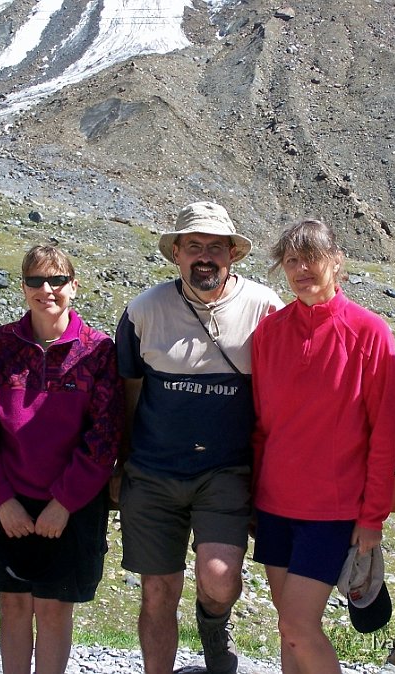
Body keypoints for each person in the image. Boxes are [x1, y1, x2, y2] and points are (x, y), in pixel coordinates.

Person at [114, 201, 283, 674]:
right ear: (176, 254)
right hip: (152, 472)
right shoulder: (144, 310)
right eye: (194, 247)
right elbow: (128, 392)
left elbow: (282, 396)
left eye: (215, 247)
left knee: (221, 578)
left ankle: (213, 621)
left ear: (232, 254)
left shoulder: (264, 307)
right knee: (157, 591)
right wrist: (121, 463)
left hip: (225, 471)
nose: (204, 257)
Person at [250, 219, 395, 673]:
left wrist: (373, 516)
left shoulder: (370, 333)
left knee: (298, 625)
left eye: (311, 257)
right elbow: (261, 428)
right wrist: (252, 500)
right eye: (291, 260)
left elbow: (385, 435)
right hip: (274, 506)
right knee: (289, 629)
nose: (301, 269)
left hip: (332, 513)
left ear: (336, 262)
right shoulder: (268, 333)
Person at [0, 245, 123, 674]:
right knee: (14, 606)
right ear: (23, 287)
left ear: (74, 286)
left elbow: (104, 435)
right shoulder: (1, 344)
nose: (47, 290)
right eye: (36, 281)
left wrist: (65, 502)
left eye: (57, 280)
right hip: (8, 504)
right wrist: (0, 499)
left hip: (70, 507)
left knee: (55, 610)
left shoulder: (97, 350)